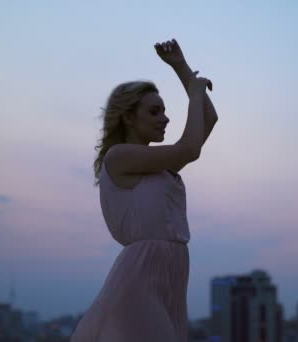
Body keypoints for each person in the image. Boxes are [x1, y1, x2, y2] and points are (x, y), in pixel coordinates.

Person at [70, 38, 218, 341]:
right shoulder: (119, 157)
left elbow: (209, 119)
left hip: (172, 281)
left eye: (164, 111)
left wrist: (180, 66)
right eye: (154, 111)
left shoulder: (160, 165)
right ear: (128, 117)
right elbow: (190, 148)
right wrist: (193, 92)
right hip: (141, 277)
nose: (164, 118)